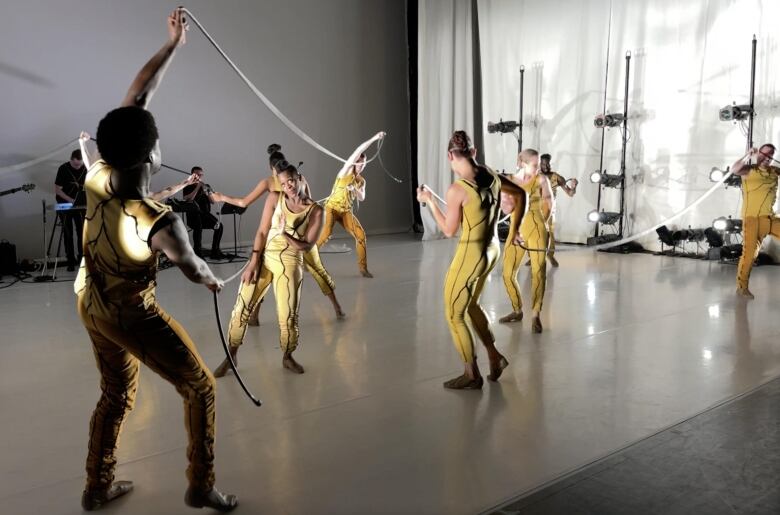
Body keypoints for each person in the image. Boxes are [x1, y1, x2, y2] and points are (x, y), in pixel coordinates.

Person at [74, 9, 236, 511]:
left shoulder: (98, 173)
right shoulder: (158, 219)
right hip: (126, 312)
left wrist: (172, 45)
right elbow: (192, 267)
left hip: (88, 301)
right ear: (150, 160)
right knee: (200, 387)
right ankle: (200, 484)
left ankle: (97, 487)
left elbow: (137, 96)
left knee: (116, 392)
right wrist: (213, 280)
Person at [415, 130, 511, 389]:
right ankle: (494, 356)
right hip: (492, 248)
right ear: (474, 152)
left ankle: (471, 374)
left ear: (450, 155)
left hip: (471, 253)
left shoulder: (458, 188)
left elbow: (448, 230)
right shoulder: (490, 174)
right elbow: (476, 211)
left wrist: (428, 202)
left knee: (453, 314)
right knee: (471, 305)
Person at [210, 144, 344, 322]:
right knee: (264, 273)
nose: (283, 181)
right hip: (277, 236)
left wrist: (222, 197)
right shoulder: (273, 182)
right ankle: (255, 316)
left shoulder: (292, 179)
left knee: (317, 270)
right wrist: (221, 197)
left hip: (298, 238)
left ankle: (337, 307)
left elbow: (309, 205)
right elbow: (244, 203)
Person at [214, 162, 323, 377]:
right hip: (264, 258)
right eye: (283, 183)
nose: (288, 186)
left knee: (288, 316)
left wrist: (285, 234)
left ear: (299, 178)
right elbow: (262, 232)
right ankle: (231, 355)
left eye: (291, 180)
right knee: (241, 307)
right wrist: (253, 262)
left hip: (291, 262)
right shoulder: (274, 198)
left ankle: (287, 357)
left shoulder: (316, 210)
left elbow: (307, 245)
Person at [499, 149, 554, 333]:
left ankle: (536, 314)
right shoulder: (510, 181)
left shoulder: (541, 180)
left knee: (538, 273)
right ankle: (517, 309)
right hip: (517, 230)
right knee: (507, 272)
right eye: (535, 164)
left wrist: (542, 225)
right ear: (522, 163)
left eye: (539, 164)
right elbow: (506, 209)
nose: (539, 167)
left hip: (537, 227)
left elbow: (549, 203)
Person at [316, 132, 386, 278]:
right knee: (326, 234)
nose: (361, 166)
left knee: (361, 235)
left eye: (364, 164)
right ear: (355, 162)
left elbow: (362, 198)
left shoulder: (361, 181)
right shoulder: (346, 170)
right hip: (331, 208)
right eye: (360, 163)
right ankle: (308, 261)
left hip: (346, 211)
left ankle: (363, 268)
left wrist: (355, 189)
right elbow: (358, 150)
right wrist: (374, 138)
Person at [731, 143, 780, 299]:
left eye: (770, 154)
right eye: (764, 154)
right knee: (749, 255)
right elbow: (734, 169)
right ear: (758, 153)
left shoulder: (774, 171)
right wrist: (747, 156)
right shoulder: (749, 170)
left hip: (770, 218)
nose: (766, 157)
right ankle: (741, 287)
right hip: (752, 219)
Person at [533, 153, 577, 267]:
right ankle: (533, 256)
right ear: (539, 164)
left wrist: (574, 186)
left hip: (550, 209)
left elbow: (570, 193)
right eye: (543, 164)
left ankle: (550, 255)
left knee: (550, 233)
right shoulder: (535, 176)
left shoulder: (557, 177)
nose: (546, 166)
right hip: (536, 208)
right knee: (534, 232)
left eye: (547, 163)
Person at [182, 166, 225, 259]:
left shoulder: (206, 186)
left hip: (205, 215)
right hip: (193, 215)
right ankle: (197, 252)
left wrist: (207, 193)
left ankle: (215, 251)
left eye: (201, 174)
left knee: (219, 226)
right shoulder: (187, 185)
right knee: (198, 226)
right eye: (197, 174)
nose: (199, 176)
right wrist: (198, 187)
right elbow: (189, 199)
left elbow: (213, 201)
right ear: (192, 175)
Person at [54, 149, 87, 271]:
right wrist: (70, 200)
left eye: (80, 164)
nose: (78, 167)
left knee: (81, 232)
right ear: (71, 159)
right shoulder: (63, 169)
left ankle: (81, 259)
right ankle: (70, 261)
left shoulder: (85, 168)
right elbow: (58, 190)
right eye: (76, 164)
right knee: (68, 233)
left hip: (80, 205)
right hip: (65, 204)